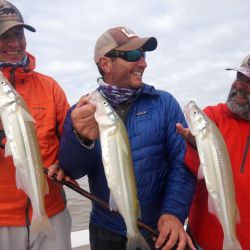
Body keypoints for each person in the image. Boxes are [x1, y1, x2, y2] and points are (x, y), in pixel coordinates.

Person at [59, 26, 196, 250]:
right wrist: (80, 138)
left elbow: (183, 163)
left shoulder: (165, 104)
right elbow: (72, 171)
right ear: (105, 63)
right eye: (133, 55)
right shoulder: (81, 112)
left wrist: (173, 212)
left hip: (158, 230)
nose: (143, 63)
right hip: (105, 231)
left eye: (143, 55)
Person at [0, 1, 72, 250]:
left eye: (18, 34)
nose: (14, 43)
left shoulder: (50, 86)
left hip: (51, 209)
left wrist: (74, 154)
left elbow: (71, 143)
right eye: (4, 36)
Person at [177, 54, 250, 250]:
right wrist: (195, 147)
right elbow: (189, 171)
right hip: (203, 242)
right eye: (240, 78)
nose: (241, 86)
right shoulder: (212, 118)